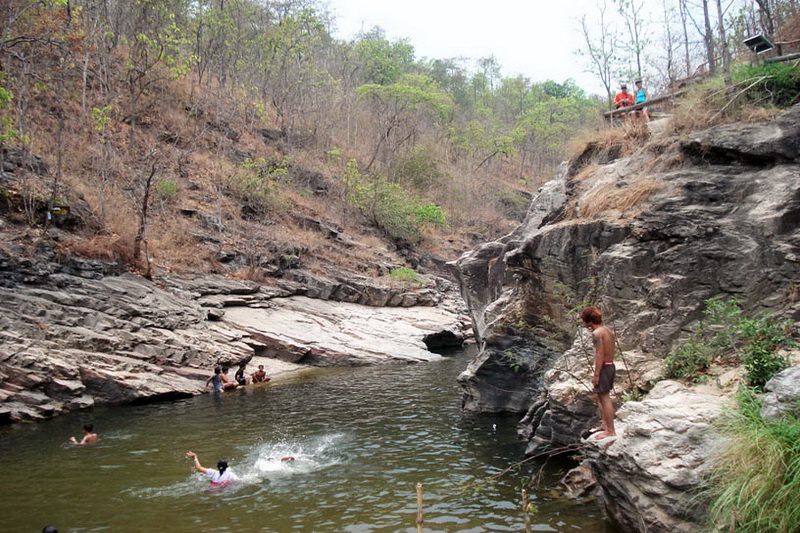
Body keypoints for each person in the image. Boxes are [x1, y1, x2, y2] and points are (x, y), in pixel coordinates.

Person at [581, 307, 617, 440]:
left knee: (604, 398)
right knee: (600, 396)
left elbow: (599, 354)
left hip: (604, 368)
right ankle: (604, 424)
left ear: (589, 320)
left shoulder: (597, 333)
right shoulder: (607, 330)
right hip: (610, 365)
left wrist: (596, 374)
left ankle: (611, 431)